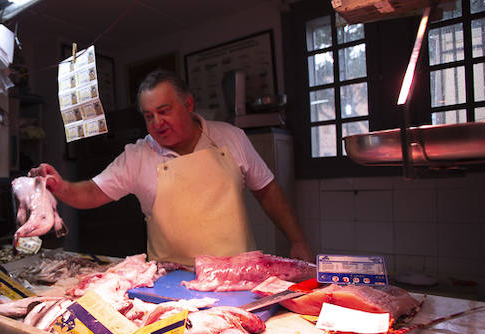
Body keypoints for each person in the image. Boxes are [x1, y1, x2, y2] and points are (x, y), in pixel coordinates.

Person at [31, 69, 313, 266]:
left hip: (237, 275)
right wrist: (62, 186)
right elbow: (93, 191)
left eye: (164, 111)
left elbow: (266, 189)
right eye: (149, 116)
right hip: (171, 283)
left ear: (188, 104)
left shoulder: (230, 137)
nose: (157, 124)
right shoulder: (137, 156)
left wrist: (297, 239)